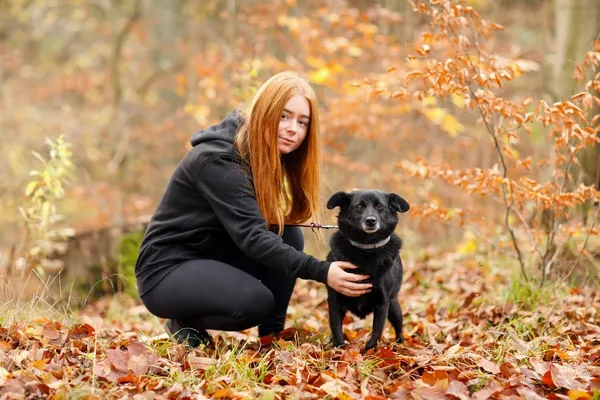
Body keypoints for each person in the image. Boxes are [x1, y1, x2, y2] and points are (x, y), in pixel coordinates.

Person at [135, 71, 372, 348]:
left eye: (302, 122)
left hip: (212, 256)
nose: (293, 128)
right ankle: (183, 321)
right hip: (166, 271)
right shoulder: (218, 161)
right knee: (254, 303)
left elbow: (258, 231)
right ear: (263, 112)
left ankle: (272, 336)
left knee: (289, 234)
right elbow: (252, 238)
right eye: (284, 116)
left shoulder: (260, 152)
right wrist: (323, 271)